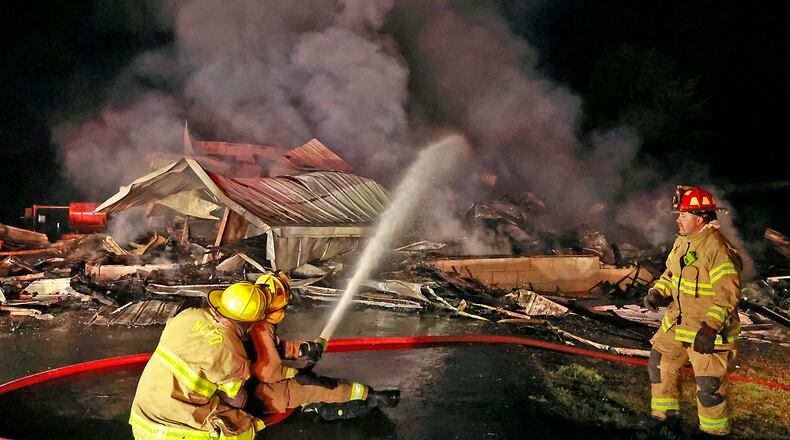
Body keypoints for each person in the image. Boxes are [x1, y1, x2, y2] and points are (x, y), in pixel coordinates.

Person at [643, 185, 742, 437]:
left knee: (709, 387)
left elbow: (728, 295)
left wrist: (710, 328)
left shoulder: (717, 249)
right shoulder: (683, 241)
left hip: (705, 331)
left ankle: (713, 433)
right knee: (660, 365)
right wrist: (658, 291)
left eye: (683, 215)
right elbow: (671, 274)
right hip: (677, 323)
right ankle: (665, 421)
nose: (678, 219)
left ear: (700, 219)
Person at [244, 272, 400, 421]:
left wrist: (304, 349)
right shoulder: (261, 329)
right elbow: (268, 372)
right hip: (267, 396)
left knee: (312, 385)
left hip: (259, 389)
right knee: (324, 388)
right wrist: (297, 374)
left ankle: (318, 404)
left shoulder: (255, 321)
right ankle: (372, 398)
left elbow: (273, 349)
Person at [129, 280, 267, 439]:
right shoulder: (233, 354)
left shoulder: (188, 314)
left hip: (140, 421)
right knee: (243, 427)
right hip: (172, 434)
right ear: (249, 323)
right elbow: (236, 401)